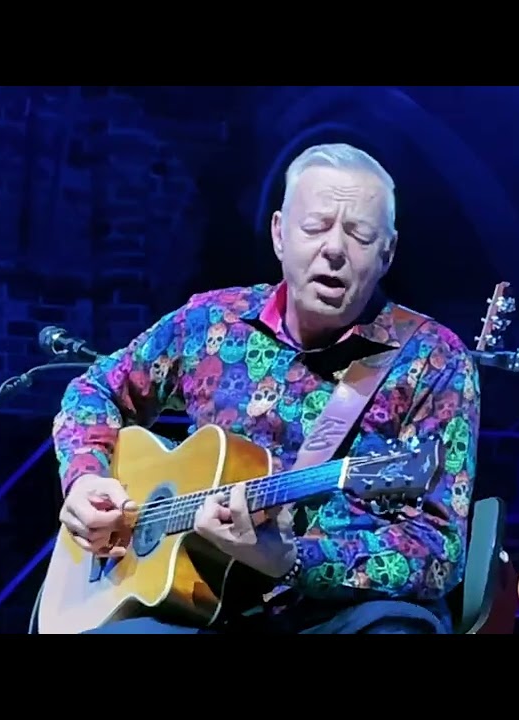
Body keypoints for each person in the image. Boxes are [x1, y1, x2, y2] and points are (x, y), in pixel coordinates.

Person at [50, 142, 481, 634]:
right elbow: (93, 391)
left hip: (346, 613)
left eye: (360, 235)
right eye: (315, 227)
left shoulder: (434, 359)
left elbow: (439, 550)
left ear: (387, 253)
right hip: (201, 600)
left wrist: (293, 560)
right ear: (279, 234)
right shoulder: (209, 322)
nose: (335, 249)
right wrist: (86, 478)